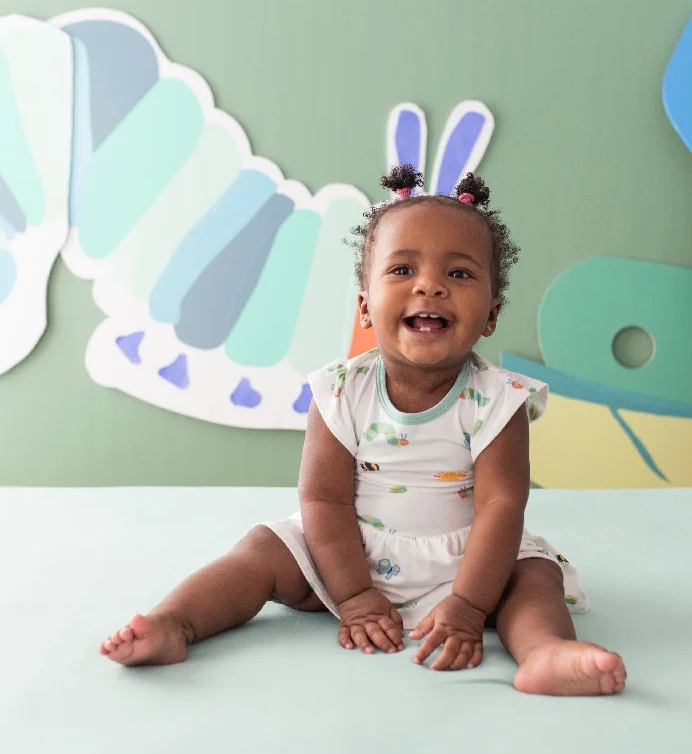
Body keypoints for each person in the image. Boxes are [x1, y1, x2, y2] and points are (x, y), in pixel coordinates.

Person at [100, 165, 626, 695]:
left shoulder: (498, 400)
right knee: (261, 550)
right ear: (364, 307)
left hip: (472, 565)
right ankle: (175, 622)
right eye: (402, 270)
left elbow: (501, 508)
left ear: (491, 314)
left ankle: (543, 653)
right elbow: (323, 500)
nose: (430, 286)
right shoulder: (340, 390)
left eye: (460, 274)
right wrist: (353, 595)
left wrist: (468, 605)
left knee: (535, 579)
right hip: (349, 554)